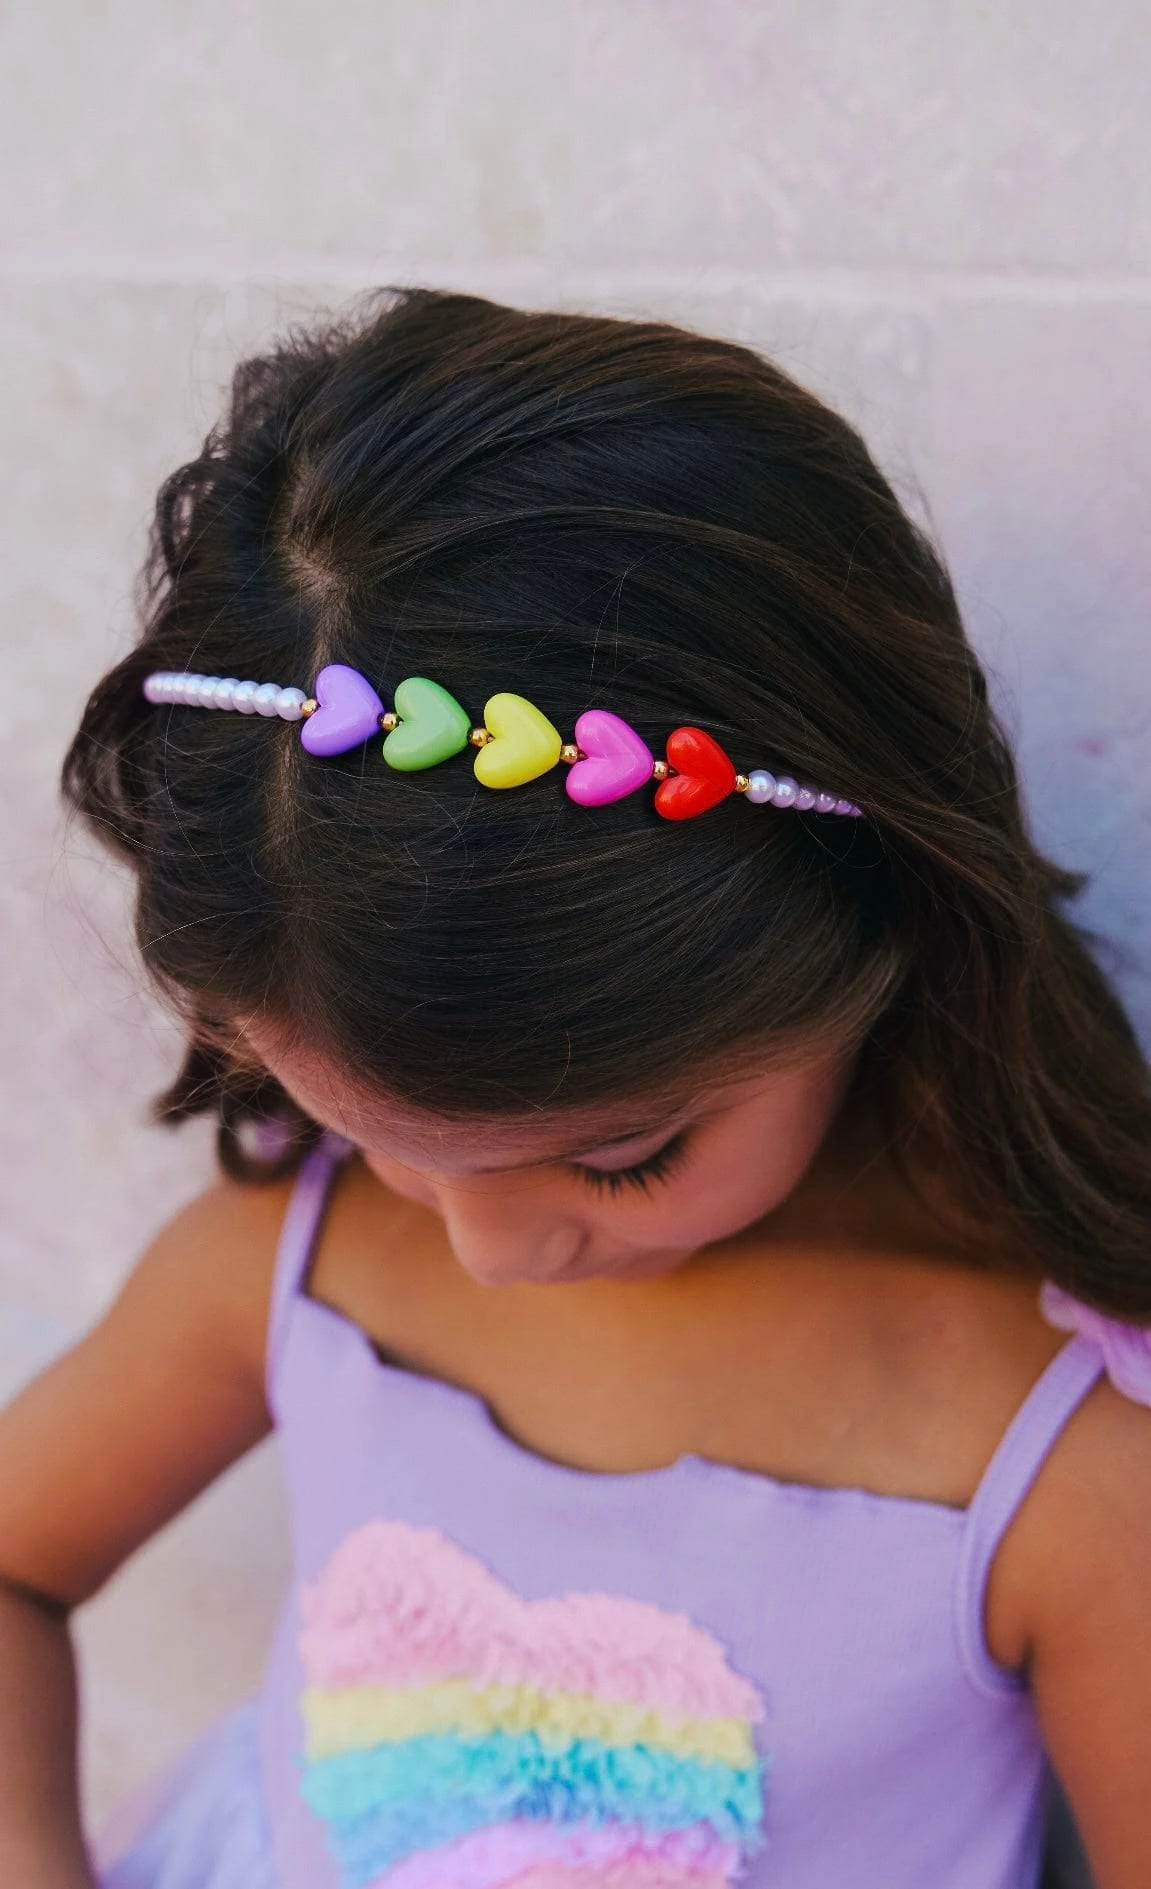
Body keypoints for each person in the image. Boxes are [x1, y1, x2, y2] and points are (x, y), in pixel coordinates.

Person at [0, 288, 1146, 1889]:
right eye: (378, 1143)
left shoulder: (1064, 1455)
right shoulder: (299, 1264)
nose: (487, 1251)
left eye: (622, 1157)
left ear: (875, 926)